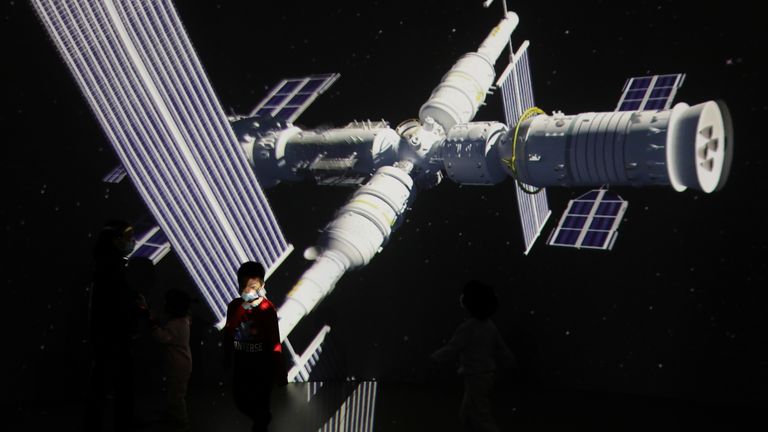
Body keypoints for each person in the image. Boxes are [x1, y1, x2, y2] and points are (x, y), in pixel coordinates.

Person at [85, 220, 150, 432]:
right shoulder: (112, 267)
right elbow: (118, 302)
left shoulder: (106, 264)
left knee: (102, 381)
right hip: (115, 333)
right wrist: (137, 308)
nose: (132, 241)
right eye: (127, 237)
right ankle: (122, 422)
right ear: (115, 240)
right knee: (120, 380)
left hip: (105, 333)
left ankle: (100, 422)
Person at [431, 280, 515, 432]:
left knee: (480, 416)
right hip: (485, 375)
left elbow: (453, 347)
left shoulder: (469, 328)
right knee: (468, 414)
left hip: (477, 377)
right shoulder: (489, 325)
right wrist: (509, 360)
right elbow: (501, 347)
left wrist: (435, 357)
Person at [222, 261, 287, 432]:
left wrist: (279, 368)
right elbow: (229, 331)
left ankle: (261, 423)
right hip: (242, 363)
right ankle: (261, 420)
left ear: (261, 286)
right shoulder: (234, 306)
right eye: (243, 286)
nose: (246, 291)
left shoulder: (267, 308)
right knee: (240, 399)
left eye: (251, 286)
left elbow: (274, 339)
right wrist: (226, 357)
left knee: (261, 403)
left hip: (262, 365)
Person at [151, 288, 194, 432]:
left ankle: (182, 423)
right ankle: (174, 416)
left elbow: (162, 338)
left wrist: (153, 325)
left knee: (176, 395)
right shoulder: (185, 321)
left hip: (178, 365)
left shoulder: (175, 325)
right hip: (182, 364)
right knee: (175, 393)